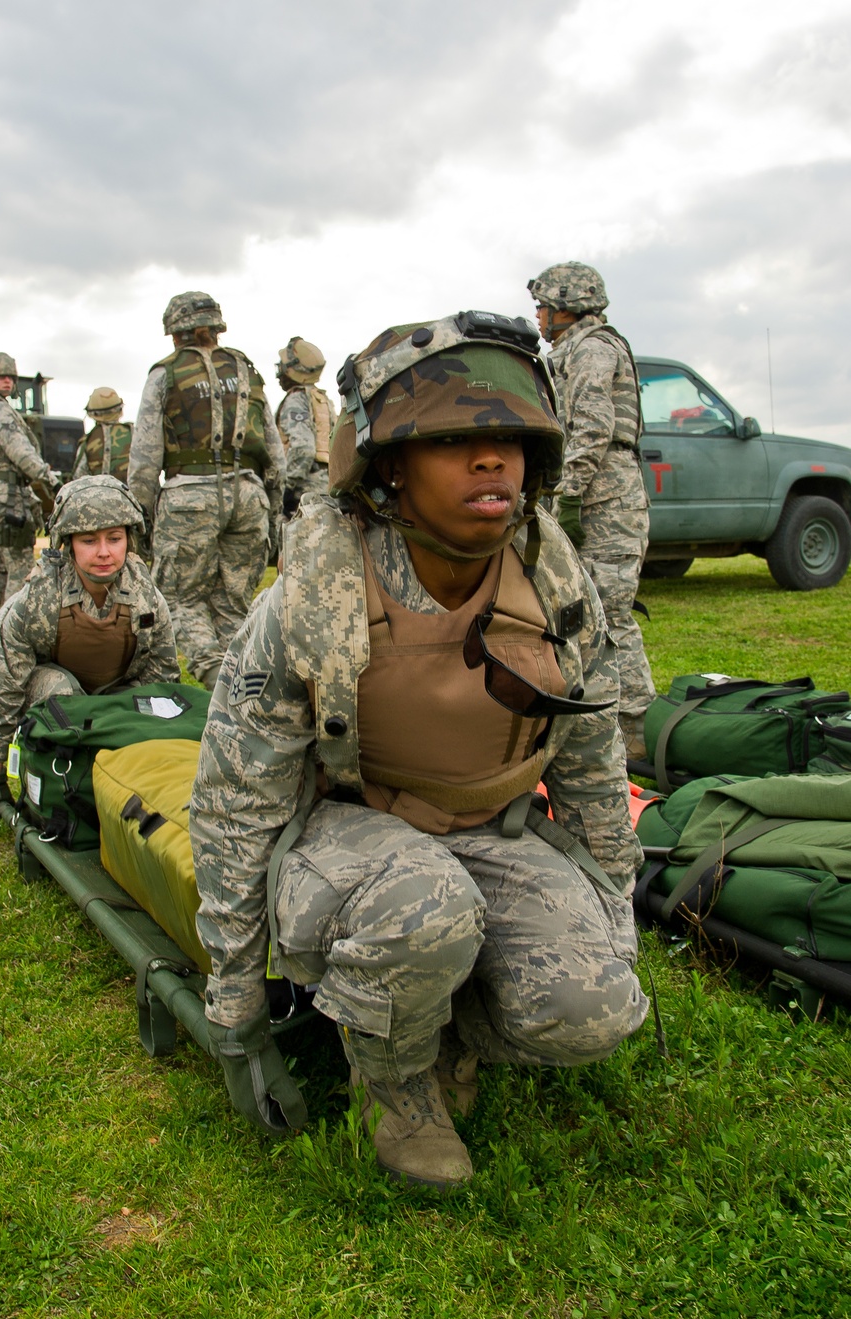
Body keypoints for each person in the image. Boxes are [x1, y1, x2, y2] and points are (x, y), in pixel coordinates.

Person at [190, 310, 648, 1192]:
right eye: (455, 442)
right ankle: (395, 1079)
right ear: (389, 466)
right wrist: (237, 996)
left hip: (497, 831)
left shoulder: (552, 578)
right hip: (348, 835)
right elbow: (236, 804)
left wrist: (613, 919)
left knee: (590, 1010)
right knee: (425, 906)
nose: (493, 461)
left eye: (512, 440)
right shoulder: (315, 595)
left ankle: (441, 1026)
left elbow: (591, 761)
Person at [0, 475, 180, 818]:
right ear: (68, 544)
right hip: (56, 702)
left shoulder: (146, 598)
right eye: (88, 540)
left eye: (114, 539)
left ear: (129, 539)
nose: (103, 552)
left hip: (115, 700)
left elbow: (162, 677)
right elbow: (2, 685)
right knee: (61, 690)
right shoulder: (39, 601)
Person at [528, 262, 656, 760]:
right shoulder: (575, 351)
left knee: (611, 613)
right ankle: (616, 720)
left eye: (542, 306)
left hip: (606, 498)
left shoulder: (593, 351)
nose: (537, 316)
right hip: (599, 492)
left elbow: (592, 427)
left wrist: (573, 496)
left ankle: (637, 729)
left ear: (566, 307)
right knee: (590, 611)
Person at [127, 291, 286, 689]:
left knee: (179, 597)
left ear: (174, 332)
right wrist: (273, 505)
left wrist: (138, 516)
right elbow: (273, 447)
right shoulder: (246, 369)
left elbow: (145, 454)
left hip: (188, 498)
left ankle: (217, 677)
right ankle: (248, 680)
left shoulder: (164, 374)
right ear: (216, 326)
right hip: (248, 494)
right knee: (233, 599)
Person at [0, 352, 62, 654]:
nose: (8, 380)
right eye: (0, 376)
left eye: (11, 376)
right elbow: (19, 451)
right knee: (17, 567)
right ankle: (7, 638)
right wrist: (49, 479)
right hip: (4, 497)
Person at [274, 336, 336, 515]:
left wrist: (286, 490)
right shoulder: (323, 400)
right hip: (328, 489)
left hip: (306, 495)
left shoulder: (296, 399)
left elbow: (303, 448)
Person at [72, 387, 133, 483]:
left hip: (99, 496)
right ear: (120, 409)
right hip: (132, 496)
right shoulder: (135, 433)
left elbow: (79, 477)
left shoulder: (88, 441)